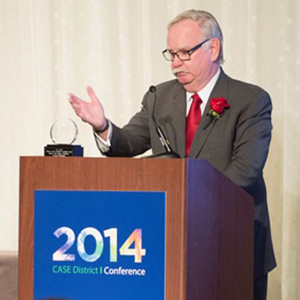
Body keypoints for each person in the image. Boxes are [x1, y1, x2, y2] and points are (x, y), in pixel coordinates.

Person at [69, 9, 276, 300]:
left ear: (213, 48)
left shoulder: (250, 100)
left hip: (234, 242)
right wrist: (103, 126)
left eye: (184, 53)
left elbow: (245, 170)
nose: (175, 64)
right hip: (172, 243)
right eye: (171, 54)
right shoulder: (159, 97)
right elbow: (129, 143)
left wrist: (188, 203)